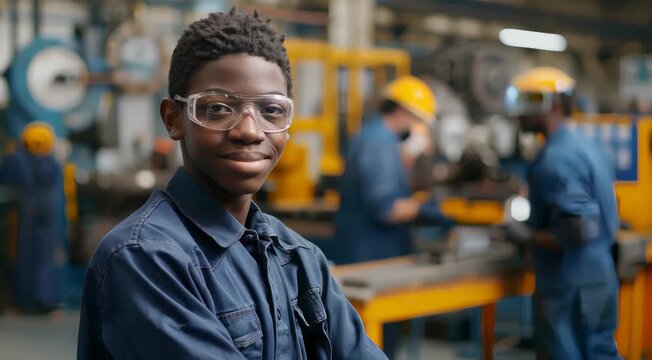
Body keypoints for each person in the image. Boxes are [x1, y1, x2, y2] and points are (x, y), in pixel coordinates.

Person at [77, 9, 387, 359]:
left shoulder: (299, 259)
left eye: (271, 111)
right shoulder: (144, 260)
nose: (249, 131)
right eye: (219, 108)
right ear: (174, 119)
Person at [504, 67, 621, 359]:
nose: (519, 113)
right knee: (601, 352)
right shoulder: (584, 145)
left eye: (527, 102)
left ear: (552, 104)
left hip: (570, 287)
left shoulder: (558, 157)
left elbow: (579, 229)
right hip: (597, 277)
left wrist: (526, 234)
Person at [334, 76, 453, 357]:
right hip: (373, 260)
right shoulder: (380, 143)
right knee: (375, 343)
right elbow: (386, 208)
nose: (417, 127)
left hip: (367, 252)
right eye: (417, 119)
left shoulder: (375, 137)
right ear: (402, 112)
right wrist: (430, 211)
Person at [0, 121, 64, 313]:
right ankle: (45, 300)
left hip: (24, 216)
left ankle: (24, 301)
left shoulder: (17, 159)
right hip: (46, 215)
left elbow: (6, 181)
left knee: (24, 257)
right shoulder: (52, 162)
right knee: (46, 256)